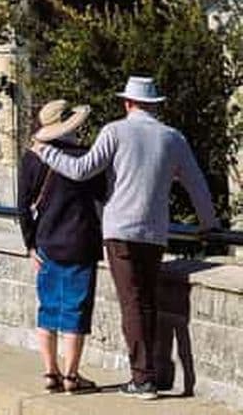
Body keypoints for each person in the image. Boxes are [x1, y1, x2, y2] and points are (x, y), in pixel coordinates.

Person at [32, 76, 218, 400]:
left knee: (132, 303)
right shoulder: (173, 138)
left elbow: (81, 170)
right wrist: (208, 223)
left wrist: (45, 152)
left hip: (120, 230)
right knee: (147, 301)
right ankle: (152, 373)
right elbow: (196, 183)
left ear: (128, 103)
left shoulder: (115, 131)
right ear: (154, 105)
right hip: (154, 232)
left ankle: (142, 379)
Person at [19, 99, 105, 395]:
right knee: (75, 311)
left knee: (48, 309)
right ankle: (71, 375)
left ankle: (50, 372)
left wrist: (30, 245)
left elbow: (23, 207)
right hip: (81, 241)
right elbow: (103, 195)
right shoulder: (84, 157)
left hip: (46, 243)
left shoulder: (32, 159)